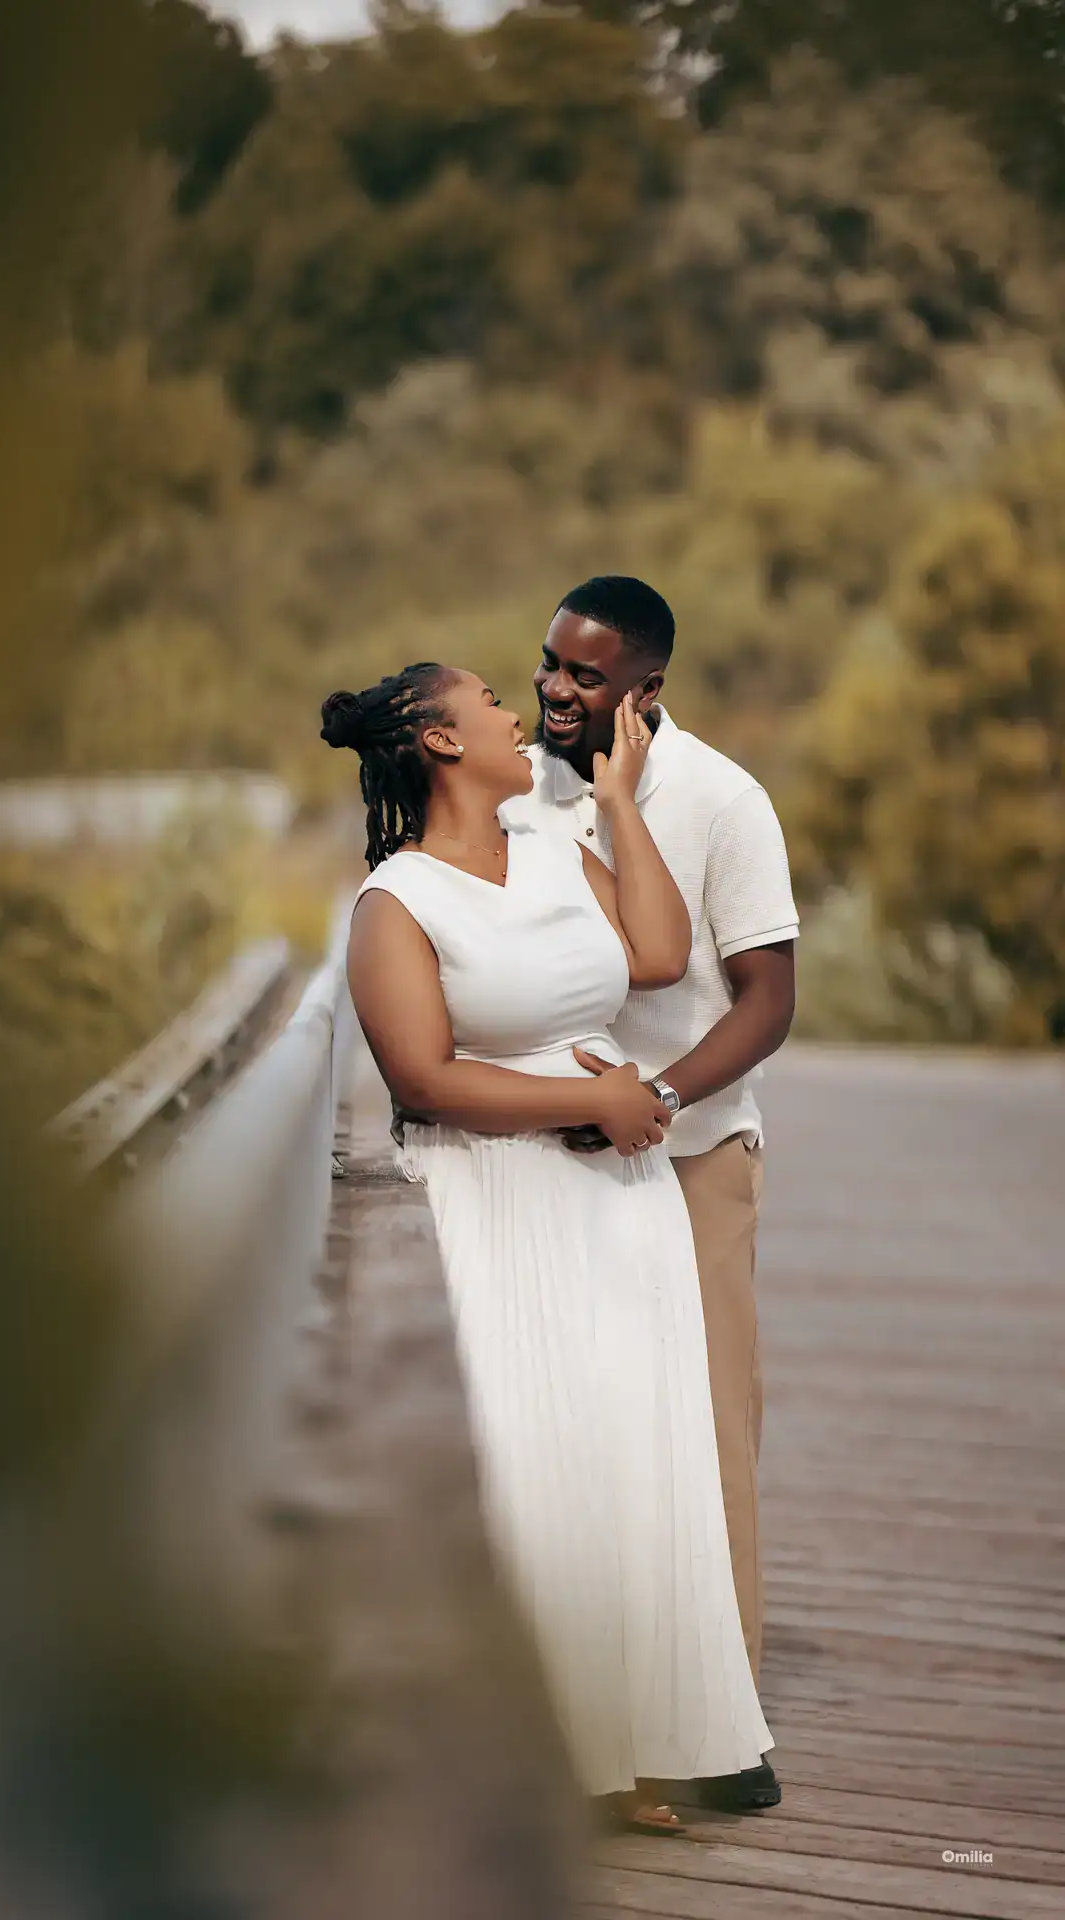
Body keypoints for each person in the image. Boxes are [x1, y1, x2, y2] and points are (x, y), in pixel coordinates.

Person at [324, 662, 772, 1836]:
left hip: (620, 1202)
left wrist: (620, 804)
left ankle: (638, 1749)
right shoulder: (395, 905)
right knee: (534, 1465)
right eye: (487, 700)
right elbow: (422, 1078)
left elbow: (662, 955)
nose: (516, 714)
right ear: (437, 738)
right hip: (501, 1199)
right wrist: (597, 1106)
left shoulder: (556, 843)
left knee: (634, 1451)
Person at [511, 575, 797, 1816]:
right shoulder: (513, 786)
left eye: (584, 675)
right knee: (584, 1433)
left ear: (646, 689)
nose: (557, 691)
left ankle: (721, 1723)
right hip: (549, 1162)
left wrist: (660, 1099)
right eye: (549, 666)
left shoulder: (724, 799)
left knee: (711, 1427)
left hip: (690, 1159)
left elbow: (768, 1002)